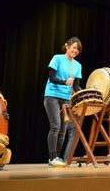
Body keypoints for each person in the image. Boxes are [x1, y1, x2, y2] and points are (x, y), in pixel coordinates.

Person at [44, 37, 82, 167]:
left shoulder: (77, 65)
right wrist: (65, 82)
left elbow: (76, 86)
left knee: (63, 130)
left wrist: (84, 92)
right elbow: (52, 77)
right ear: (67, 46)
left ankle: (57, 158)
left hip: (66, 98)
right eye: (73, 48)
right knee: (55, 126)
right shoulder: (57, 58)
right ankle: (52, 157)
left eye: (77, 49)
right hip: (52, 95)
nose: (75, 50)